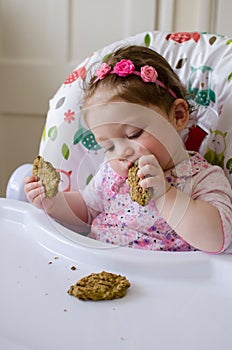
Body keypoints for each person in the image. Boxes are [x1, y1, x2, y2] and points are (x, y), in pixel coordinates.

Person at [24, 45, 232, 253]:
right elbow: (86, 211)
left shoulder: (202, 178)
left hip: (165, 279)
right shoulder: (110, 174)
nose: (122, 153)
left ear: (178, 115)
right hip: (101, 267)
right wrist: (53, 202)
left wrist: (165, 195)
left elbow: (217, 240)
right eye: (109, 147)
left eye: (134, 134)